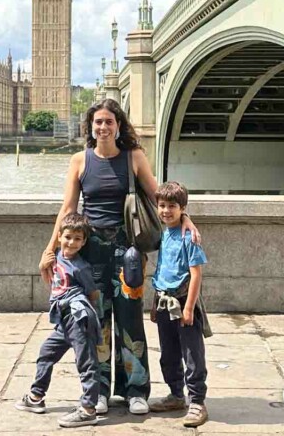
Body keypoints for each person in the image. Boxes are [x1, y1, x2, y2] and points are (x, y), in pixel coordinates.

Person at [39, 99, 202, 415]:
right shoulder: (79, 161)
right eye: (97, 122)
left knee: (130, 320)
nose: (102, 127)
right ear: (91, 127)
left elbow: (161, 199)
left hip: (127, 251)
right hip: (90, 253)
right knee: (95, 322)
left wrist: (186, 219)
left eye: (108, 122)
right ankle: (98, 391)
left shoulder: (134, 158)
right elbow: (68, 209)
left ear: (118, 126)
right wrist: (51, 249)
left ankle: (135, 391)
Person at [17, 212, 102, 428]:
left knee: (86, 362)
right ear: (60, 236)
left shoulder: (81, 267)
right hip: (63, 319)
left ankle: (88, 409)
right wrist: (42, 264)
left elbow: (93, 294)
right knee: (46, 353)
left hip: (78, 317)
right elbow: (52, 280)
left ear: (83, 242)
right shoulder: (55, 255)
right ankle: (36, 397)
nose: (71, 242)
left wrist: (92, 321)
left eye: (77, 239)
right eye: (68, 237)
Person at [147, 181, 210, 428]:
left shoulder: (188, 236)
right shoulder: (165, 233)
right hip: (163, 301)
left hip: (184, 302)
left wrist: (188, 308)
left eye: (172, 206)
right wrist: (155, 304)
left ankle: (197, 402)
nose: (165, 211)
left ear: (182, 208)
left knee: (192, 354)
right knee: (169, 353)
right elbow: (162, 271)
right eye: (162, 206)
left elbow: (196, 274)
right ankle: (175, 394)